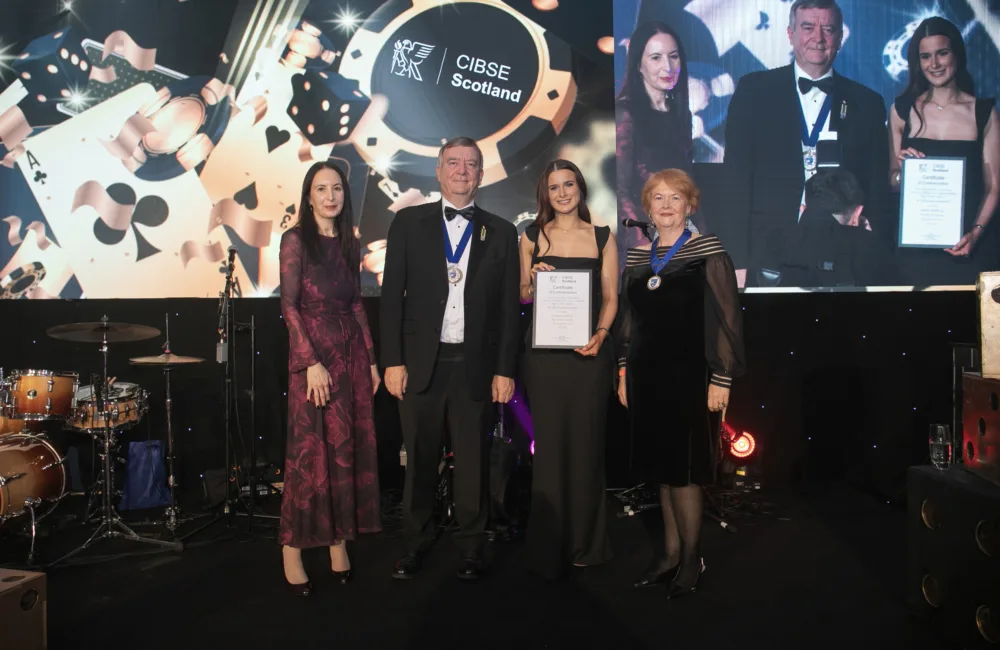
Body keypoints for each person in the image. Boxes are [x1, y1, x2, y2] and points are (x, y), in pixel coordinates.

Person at [380, 136, 520, 581]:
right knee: (419, 460)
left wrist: (505, 368)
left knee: (474, 463)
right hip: (421, 362)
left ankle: (471, 547)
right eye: (454, 163)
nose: (463, 170)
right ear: (439, 171)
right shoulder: (407, 222)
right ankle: (416, 543)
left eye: (471, 164)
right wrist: (392, 360)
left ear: (481, 174)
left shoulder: (501, 230)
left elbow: (507, 310)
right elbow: (390, 300)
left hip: (476, 365)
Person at [616, 168, 745, 598]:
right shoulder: (637, 258)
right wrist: (621, 369)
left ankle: (692, 559)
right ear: (647, 208)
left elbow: (728, 321)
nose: (666, 205)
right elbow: (629, 322)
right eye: (658, 198)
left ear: (690, 205)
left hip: (691, 376)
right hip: (645, 377)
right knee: (661, 469)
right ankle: (669, 555)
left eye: (675, 198)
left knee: (685, 472)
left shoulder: (708, 252)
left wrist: (722, 377)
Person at [723, 0, 890, 287]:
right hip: (770, 246)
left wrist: (872, 249)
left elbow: (876, 184)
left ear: (839, 37)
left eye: (828, 29)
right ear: (790, 33)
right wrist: (736, 260)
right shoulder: (754, 90)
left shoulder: (868, 102)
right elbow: (736, 180)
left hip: (843, 250)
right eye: (808, 27)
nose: (819, 38)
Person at [278, 161, 382, 596]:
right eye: (321, 189)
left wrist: (372, 361)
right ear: (309, 195)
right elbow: (289, 305)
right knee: (311, 454)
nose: (330, 196)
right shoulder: (295, 239)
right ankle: (293, 549)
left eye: (336, 188)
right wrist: (309, 362)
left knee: (345, 450)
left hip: (351, 356)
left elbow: (357, 304)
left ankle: (338, 542)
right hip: (314, 357)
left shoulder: (346, 241)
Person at [519, 159, 618, 580]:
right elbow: (521, 296)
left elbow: (611, 297)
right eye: (554, 187)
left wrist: (600, 333)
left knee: (586, 448)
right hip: (544, 360)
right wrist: (533, 279)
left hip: (589, 356)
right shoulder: (530, 236)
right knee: (550, 451)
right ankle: (547, 545)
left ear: (581, 187)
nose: (562, 193)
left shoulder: (602, 237)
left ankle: (587, 545)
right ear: (546, 193)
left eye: (569, 184)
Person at [888, 16, 999, 286]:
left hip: (968, 247)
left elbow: (994, 186)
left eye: (942, 53)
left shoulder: (983, 113)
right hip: (914, 251)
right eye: (925, 57)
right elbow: (892, 181)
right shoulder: (902, 111)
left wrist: (975, 233)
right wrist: (903, 174)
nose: (934, 64)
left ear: (957, 55)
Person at [616, 21, 702, 260]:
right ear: (638, 65)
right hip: (646, 246)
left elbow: (688, 187)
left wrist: (703, 242)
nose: (668, 66)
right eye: (656, 58)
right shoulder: (625, 114)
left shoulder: (680, 113)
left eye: (673, 56)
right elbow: (620, 191)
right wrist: (645, 245)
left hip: (684, 240)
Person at [780, 169, 899, 287]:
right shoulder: (872, 252)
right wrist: (869, 241)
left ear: (803, 209)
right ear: (857, 213)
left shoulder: (779, 246)